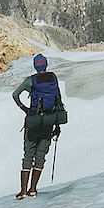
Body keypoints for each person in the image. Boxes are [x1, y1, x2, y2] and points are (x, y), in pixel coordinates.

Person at [12, 53, 64, 199]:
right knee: (40, 155)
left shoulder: (30, 81)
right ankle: (33, 189)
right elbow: (58, 99)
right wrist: (57, 124)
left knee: (28, 154)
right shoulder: (53, 78)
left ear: (35, 66)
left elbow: (15, 95)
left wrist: (24, 108)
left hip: (33, 121)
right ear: (46, 65)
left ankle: (23, 191)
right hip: (49, 121)